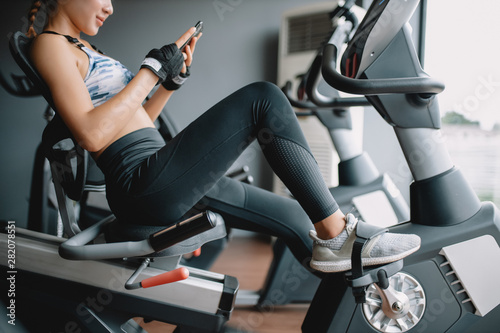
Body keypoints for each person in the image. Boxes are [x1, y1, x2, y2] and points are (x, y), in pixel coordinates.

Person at [25, 0, 420, 273]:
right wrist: (150, 70)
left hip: (160, 173)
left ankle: (345, 282)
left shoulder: (85, 49)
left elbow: (137, 120)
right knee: (262, 99)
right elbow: (93, 135)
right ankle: (340, 235)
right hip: (140, 184)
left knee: (296, 218)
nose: (110, 7)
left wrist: (169, 81)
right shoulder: (50, 46)